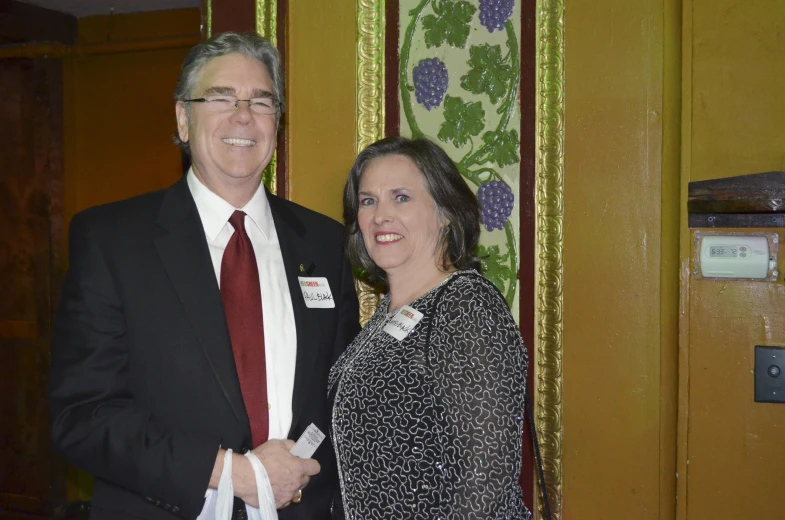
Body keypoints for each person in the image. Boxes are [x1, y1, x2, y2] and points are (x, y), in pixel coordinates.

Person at [50, 32, 360, 520]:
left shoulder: (325, 244)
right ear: (182, 119)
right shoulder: (112, 241)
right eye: (221, 98)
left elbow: (343, 400)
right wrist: (231, 473)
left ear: (277, 123)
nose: (243, 116)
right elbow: (83, 419)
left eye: (261, 101)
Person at [329, 136, 531, 519]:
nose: (380, 215)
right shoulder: (386, 316)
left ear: (447, 212)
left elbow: (486, 481)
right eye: (368, 200)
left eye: (401, 197)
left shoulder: (465, 305)